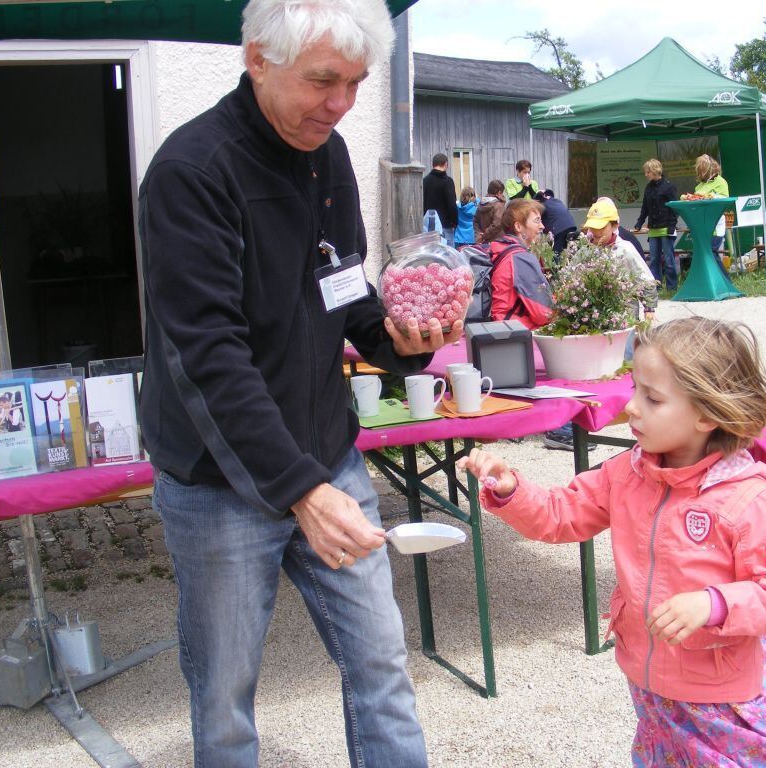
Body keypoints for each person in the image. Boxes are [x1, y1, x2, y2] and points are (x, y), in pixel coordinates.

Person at [138, 2, 463, 765]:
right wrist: (301, 491)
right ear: (257, 58)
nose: (341, 103)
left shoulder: (329, 154)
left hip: (325, 459)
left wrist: (401, 344)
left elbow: (342, 287)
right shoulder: (191, 172)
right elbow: (208, 356)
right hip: (219, 482)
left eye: (355, 82)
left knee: (381, 663)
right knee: (224, 696)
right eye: (323, 80)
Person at [458, 317, 766, 768]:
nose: (631, 408)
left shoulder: (749, 502)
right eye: (634, 390)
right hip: (648, 683)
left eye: (653, 398)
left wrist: (714, 604)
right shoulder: (625, 474)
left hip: (718, 695)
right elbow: (560, 516)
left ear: (707, 414)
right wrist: (512, 490)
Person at [543, 197, 657, 452]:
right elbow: (570, 279)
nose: (594, 233)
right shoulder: (586, 250)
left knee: (625, 371)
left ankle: (638, 420)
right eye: (591, 227)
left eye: (600, 227)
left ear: (614, 225)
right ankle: (580, 424)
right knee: (594, 373)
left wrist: (649, 310)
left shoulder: (626, 250)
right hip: (594, 321)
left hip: (623, 321)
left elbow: (646, 281)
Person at [487, 199, 554, 329]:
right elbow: (544, 313)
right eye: (537, 221)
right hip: (514, 334)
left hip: (496, 328)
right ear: (518, 227)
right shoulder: (521, 258)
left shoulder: (499, 249)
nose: (542, 226)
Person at [634, 159, 680, 291]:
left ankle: (672, 288)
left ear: (654, 171)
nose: (646, 174)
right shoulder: (648, 187)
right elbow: (645, 208)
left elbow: (674, 208)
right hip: (653, 228)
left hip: (666, 228)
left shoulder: (669, 186)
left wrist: (672, 225)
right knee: (654, 260)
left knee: (669, 260)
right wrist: (639, 223)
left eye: (647, 172)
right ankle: (656, 288)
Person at [694, 154, 731, 274]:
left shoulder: (721, 182)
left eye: (704, 170)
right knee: (706, 254)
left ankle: (725, 281)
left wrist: (710, 196)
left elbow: (724, 201)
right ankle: (715, 281)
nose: (702, 173)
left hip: (716, 225)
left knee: (711, 252)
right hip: (702, 225)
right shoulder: (699, 186)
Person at [423, 152, 458, 245]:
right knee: (447, 257)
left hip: (428, 227)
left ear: (433, 164)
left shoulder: (425, 181)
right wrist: (454, 222)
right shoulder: (448, 182)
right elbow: (452, 205)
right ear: (446, 164)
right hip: (445, 226)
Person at [535, 188, 577, 257]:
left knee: (556, 252)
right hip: (572, 225)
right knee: (568, 249)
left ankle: (557, 266)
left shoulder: (542, 205)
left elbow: (541, 224)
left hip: (559, 228)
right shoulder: (557, 201)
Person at [474, 179, 506, 244]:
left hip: (483, 241)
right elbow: (497, 224)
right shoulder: (498, 205)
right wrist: (485, 234)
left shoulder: (481, 203)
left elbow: (475, 220)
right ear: (499, 192)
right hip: (497, 242)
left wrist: (479, 234)